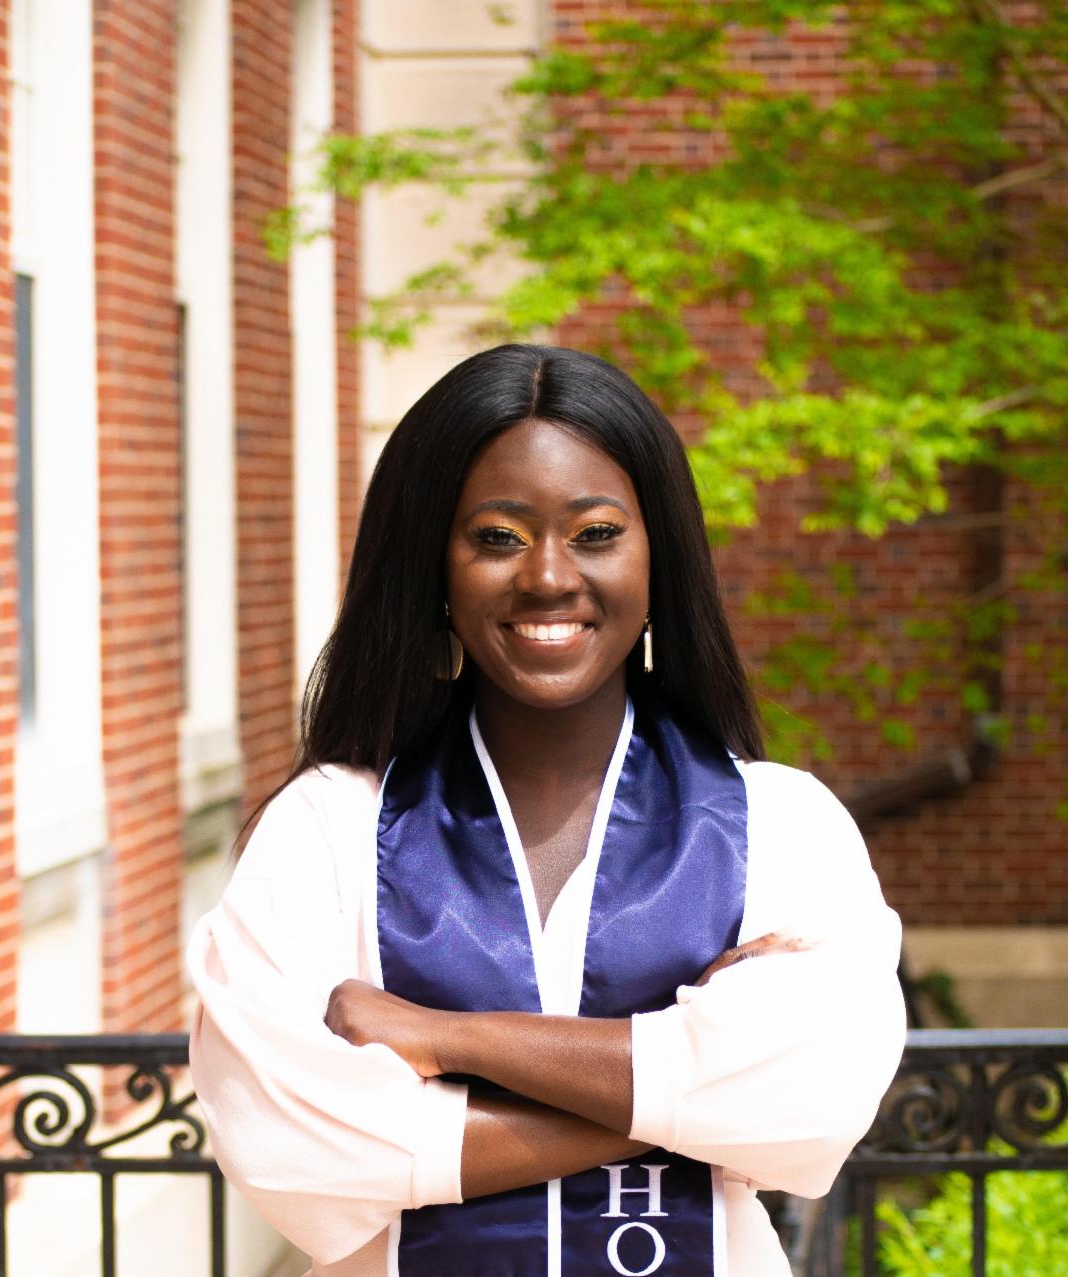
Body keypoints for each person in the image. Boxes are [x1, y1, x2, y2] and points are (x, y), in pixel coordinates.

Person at [187, 343, 906, 1277]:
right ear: (432, 568)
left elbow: (813, 1101)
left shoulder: (781, 824)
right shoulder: (329, 830)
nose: (549, 576)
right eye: (497, 537)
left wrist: (446, 1038)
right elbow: (295, 1149)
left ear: (659, 559)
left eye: (596, 532)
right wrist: (693, 1094)